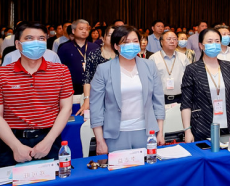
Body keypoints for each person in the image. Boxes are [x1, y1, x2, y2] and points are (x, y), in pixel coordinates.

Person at [0, 22, 73, 168]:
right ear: (17, 44)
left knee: (52, 182)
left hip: (49, 140)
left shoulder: (61, 71)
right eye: (29, 38)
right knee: (8, 182)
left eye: (41, 38)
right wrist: (16, 146)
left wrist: (48, 141)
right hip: (11, 141)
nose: (36, 43)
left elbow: (66, 109)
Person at [90, 25, 165, 154]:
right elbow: (96, 108)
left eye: (135, 41)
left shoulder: (149, 66)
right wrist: (100, 140)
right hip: (115, 134)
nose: (131, 45)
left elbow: (158, 101)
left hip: (147, 132)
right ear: (116, 46)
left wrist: (160, 132)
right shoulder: (104, 70)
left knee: (147, 166)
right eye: (126, 42)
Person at [181, 28, 230, 142]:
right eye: (210, 41)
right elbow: (186, 103)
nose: (214, 44)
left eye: (217, 41)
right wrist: (187, 131)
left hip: (228, 126)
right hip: (202, 126)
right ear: (201, 45)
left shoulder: (229, 67)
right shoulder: (192, 69)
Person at [80, 24, 116, 117]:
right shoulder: (94, 54)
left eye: (115, 35)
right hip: (97, 96)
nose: (112, 37)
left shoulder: (121, 55)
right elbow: (87, 78)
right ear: (103, 38)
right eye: (109, 35)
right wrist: (87, 99)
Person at [57, 19, 99, 94]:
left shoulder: (95, 47)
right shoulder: (64, 47)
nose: (84, 31)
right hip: (71, 88)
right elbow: (59, 68)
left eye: (86, 29)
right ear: (73, 31)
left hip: (93, 88)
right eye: (81, 29)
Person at [150, 30, 190, 105]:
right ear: (161, 42)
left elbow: (189, 78)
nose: (172, 41)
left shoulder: (183, 57)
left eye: (174, 39)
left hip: (181, 98)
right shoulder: (153, 58)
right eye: (169, 39)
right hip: (160, 99)